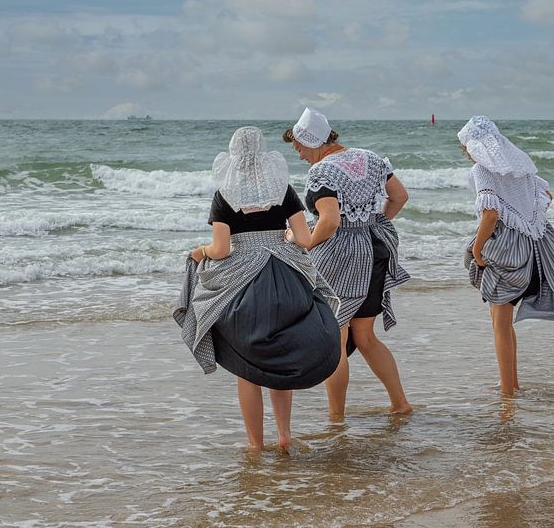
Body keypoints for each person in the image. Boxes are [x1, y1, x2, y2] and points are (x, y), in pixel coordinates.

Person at [174, 126, 340, 451]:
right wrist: (285, 240)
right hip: (286, 280)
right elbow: (305, 240)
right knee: (282, 358)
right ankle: (285, 438)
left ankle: (255, 445)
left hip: (243, 283)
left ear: (233, 154)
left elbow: (221, 249)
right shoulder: (283, 189)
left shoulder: (224, 195)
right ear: (264, 153)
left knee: (249, 370)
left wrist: (201, 252)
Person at [283, 107, 412, 419]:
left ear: (311, 141)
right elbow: (400, 197)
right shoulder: (371, 158)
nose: (300, 156)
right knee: (366, 337)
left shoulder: (322, 172)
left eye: (299, 148)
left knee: (335, 342)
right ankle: (400, 403)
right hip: (375, 249)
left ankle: (336, 416)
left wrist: (305, 242)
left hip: (343, 258)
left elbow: (329, 222)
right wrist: (371, 225)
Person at [459, 115, 554, 397]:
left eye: (466, 147)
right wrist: (526, 219)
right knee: (505, 326)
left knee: (499, 325)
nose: (466, 153)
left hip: (507, 253)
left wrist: (476, 249)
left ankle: (507, 392)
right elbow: (548, 196)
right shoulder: (522, 169)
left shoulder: (482, 171)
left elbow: (491, 214)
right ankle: (513, 384)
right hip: (536, 249)